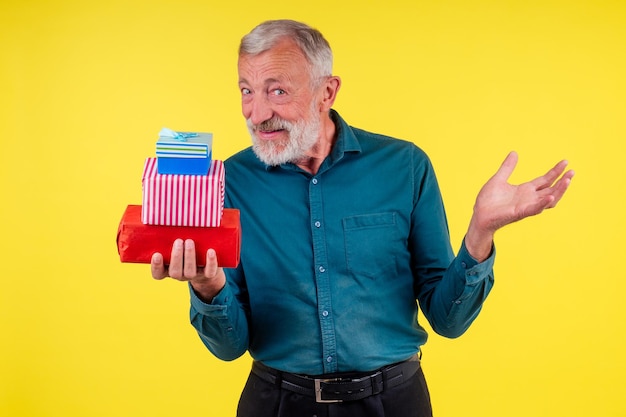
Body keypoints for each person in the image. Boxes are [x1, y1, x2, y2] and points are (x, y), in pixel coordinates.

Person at [150, 19, 574, 417]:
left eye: (277, 91)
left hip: (395, 402)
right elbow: (229, 347)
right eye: (247, 90)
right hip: (276, 403)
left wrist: (481, 232)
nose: (256, 113)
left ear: (327, 92)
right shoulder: (227, 182)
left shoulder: (404, 166)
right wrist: (208, 288)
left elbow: (449, 320)